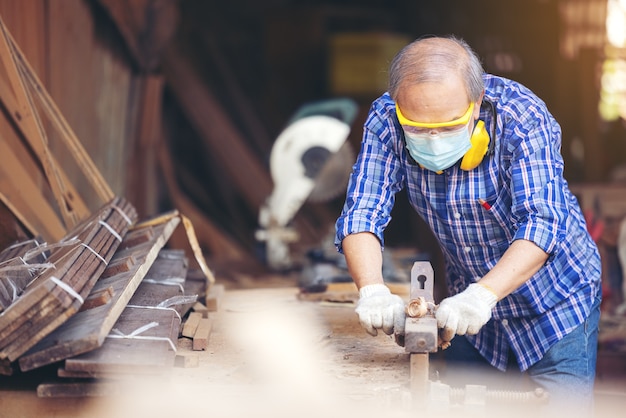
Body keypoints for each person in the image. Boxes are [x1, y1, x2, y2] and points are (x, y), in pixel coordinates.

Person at [334, 35, 601, 413]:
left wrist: (483, 295)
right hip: (464, 304)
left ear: (475, 105)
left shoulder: (520, 117)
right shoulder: (386, 119)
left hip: (555, 301)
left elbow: (542, 222)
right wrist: (372, 290)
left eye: (447, 127)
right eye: (419, 129)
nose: (434, 140)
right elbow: (362, 211)